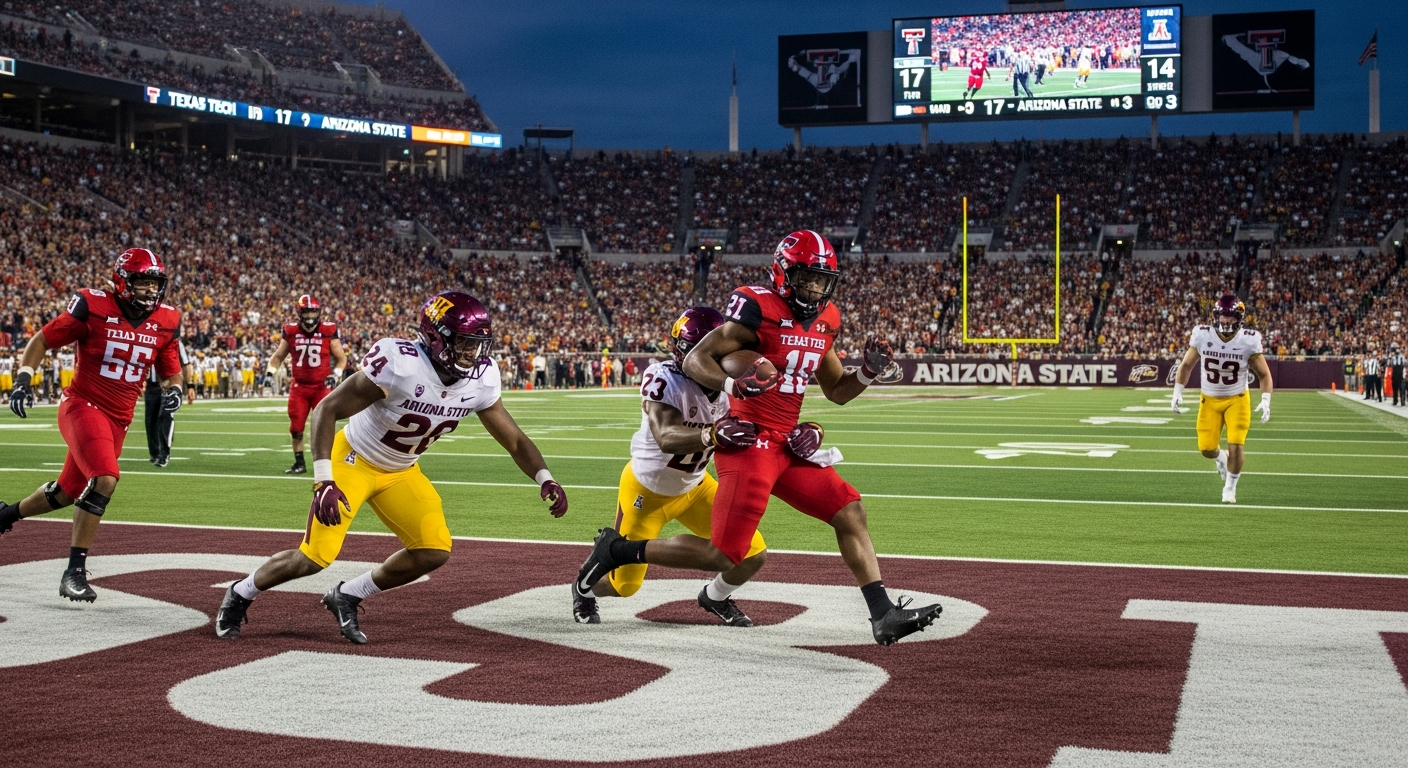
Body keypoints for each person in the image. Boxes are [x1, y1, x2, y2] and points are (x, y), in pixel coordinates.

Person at [574, 231, 942, 647]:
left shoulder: (827, 319)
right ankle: (619, 551)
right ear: (784, 273)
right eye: (807, 278)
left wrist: (867, 374)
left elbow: (837, 391)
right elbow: (696, 360)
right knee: (723, 555)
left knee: (849, 510)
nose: (815, 288)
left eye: (822, 280)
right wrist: (732, 389)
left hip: (784, 444)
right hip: (748, 443)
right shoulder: (755, 307)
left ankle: (883, 613)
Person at [215, 292, 569, 643]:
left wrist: (544, 476)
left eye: (477, 344)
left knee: (433, 549)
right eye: (464, 343)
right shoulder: (400, 364)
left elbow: (514, 440)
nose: (472, 353)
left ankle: (347, 595)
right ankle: (240, 592)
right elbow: (327, 409)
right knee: (314, 557)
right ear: (436, 337)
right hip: (354, 459)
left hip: (401, 470)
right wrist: (324, 480)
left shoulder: (481, 377)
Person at [0, 248, 184, 601]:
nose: (150, 290)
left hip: (120, 418)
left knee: (66, 493)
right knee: (105, 479)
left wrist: (173, 390)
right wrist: (23, 379)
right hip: (83, 405)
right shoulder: (93, 305)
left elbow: (170, 371)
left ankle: (4, 515)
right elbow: (43, 339)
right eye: (142, 283)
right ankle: (74, 571)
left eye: (154, 284)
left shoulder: (167, 319)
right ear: (122, 281)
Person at [571, 307, 766, 626]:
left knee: (752, 552)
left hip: (696, 487)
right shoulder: (665, 377)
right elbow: (666, 436)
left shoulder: (730, 387)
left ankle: (715, 597)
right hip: (647, 493)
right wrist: (711, 434)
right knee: (625, 586)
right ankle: (584, 587)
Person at [1171, 295, 1274, 504]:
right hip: (1209, 399)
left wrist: (1266, 399)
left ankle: (1230, 487)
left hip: (1237, 399)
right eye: (1222, 316)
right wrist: (1177, 391)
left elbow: (1264, 374)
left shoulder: (1248, 339)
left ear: (1239, 318)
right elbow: (1186, 365)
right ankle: (1221, 458)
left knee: (1236, 444)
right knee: (1207, 449)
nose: (1226, 320)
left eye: (1230, 316)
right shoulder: (1202, 335)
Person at [266, 295, 347, 474]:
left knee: (325, 427)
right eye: (307, 312)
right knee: (296, 427)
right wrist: (269, 373)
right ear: (300, 313)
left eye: (313, 312)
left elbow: (341, 359)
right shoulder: (291, 331)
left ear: (318, 312)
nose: (310, 316)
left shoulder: (328, 330)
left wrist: (336, 375)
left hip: (321, 386)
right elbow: (278, 356)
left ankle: (329, 464)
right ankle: (299, 463)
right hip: (300, 387)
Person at [144, 339, 192, 467]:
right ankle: (155, 453)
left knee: (165, 417)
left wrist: (190, 385)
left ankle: (164, 453)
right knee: (150, 421)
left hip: (169, 385)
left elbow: (186, 364)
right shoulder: (148, 338)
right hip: (151, 386)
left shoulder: (175, 342)